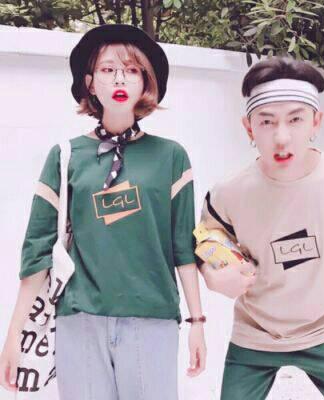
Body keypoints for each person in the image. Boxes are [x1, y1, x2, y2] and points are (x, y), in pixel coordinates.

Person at [0, 24, 206, 400]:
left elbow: (183, 247)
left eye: (131, 69)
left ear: (146, 82)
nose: (119, 78)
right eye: (108, 69)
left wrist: (197, 321)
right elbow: (37, 249)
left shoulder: (171, 157)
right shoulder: (66, 156)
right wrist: (14, 333)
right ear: (90, 83)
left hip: (152, 317)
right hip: (79, 319)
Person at [198, 56, 324, 399]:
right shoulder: (227, 193)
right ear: (249, 127)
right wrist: (213, 277)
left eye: (295, 119)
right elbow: (207, 243)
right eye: (267, 121)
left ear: (316, 121)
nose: (282, 137)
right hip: (255, 337)